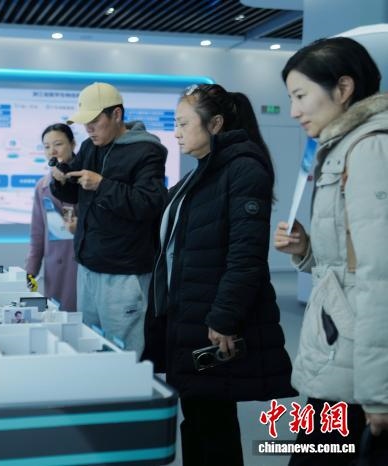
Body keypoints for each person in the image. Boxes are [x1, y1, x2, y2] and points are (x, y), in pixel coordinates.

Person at [145, 83, 296, 466]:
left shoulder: (242, 170)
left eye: (183, 123)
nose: (176, 133)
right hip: (189, 315)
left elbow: (246, 256)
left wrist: (224, 318)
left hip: (212, 321)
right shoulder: (203, 173)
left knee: (213, 426)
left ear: (214, 123)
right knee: (199, 419)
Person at [273, 37, 388, 465]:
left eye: (301, 96)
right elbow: (346, 264)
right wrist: (306, 250)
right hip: (343, 352)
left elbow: (380, 277)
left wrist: (379, 393)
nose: (293, 111)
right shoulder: (342, 147)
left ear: (343, 88)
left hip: (360, 366)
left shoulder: (370, 148)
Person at [51, 82, 167, 358]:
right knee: (91, 348)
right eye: (85, 123)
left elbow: (150, 204)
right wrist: (61, 179)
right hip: (88, 266)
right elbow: (74, 193)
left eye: (94, 121)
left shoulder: (146, 151)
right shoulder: (90, 147)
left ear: (116, 115)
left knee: (123, 354)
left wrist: (102, 185)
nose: (89, 129)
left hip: (123, 273)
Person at [25, 123, 78, 311]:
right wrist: (31, 270)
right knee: (57, 317)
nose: (52, 151)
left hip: (83, 265)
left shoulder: (88, 180)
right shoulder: (42, 187)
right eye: (47, 147)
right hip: (55, 267)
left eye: (58, 144)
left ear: (73, 144)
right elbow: (37, 233)